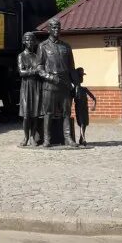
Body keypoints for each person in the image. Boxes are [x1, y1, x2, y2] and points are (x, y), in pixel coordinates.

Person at [37, 18, 76, 147]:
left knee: (66, 112)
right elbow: (39, 68)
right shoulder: (43, 46)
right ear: (49, 29)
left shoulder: (66, 47)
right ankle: (47, 139)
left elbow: (71, 68)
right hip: (50, 85)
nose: (56, 30)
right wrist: (50, 77)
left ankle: (68, 138)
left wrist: (75, 84)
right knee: (48, 113)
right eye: (53, 27)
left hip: (64, 84)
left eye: (58, 27)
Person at [17, 32, 41, 146]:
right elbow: (21, 72)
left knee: (35, 115)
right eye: (27, 40)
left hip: (36, 86)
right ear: (24, 42)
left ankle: (32, 136)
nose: (30, 42)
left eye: (32, 40)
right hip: (26, 87)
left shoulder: (37, 57)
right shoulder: (21, 56)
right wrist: (34, 71)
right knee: (26, 116)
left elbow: (40, 71)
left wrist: (34, 72)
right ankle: (25, 137)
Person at [73, 67, 96, 147]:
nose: (81, 78)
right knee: (82, 123)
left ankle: (81, 138)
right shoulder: (74, 89)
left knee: (85, 123)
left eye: (82, 76)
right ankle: (83, 138)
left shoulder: (84, 89)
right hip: (79, 108)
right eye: (80, 76)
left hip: (84, 108)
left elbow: (93, 98)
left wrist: (94, 105)